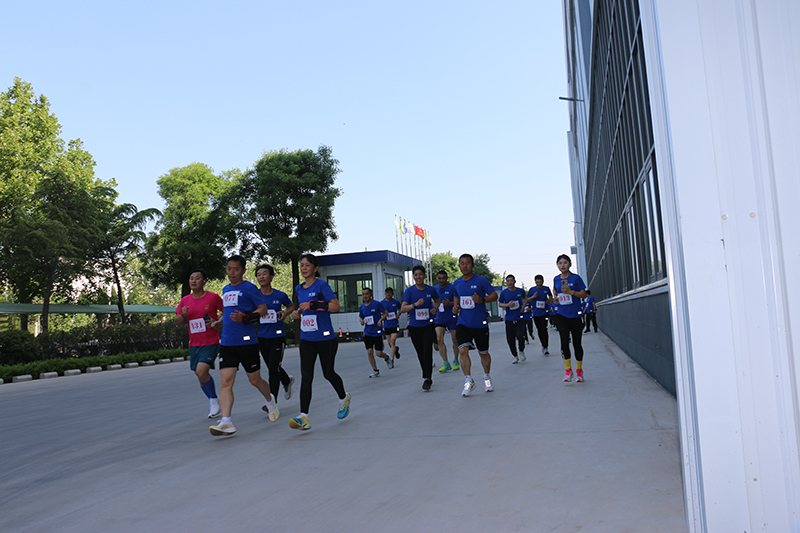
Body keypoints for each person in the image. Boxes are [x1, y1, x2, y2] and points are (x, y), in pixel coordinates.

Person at [209, 255, 278, 436]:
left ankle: (270, 401)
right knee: (226, 381)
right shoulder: (225, 289)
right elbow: (227, 311)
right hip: (227, 342)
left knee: (254, 380)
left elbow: (263, 309)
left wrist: (245, 317)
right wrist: (219, 322)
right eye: (229, 268)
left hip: (247, 343)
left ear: (243, 270)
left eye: (236, 269)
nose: (231, 272)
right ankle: (226, 422)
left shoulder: (249, 288)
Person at [289, 253, 350, 430]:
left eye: (307, 265)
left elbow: (336, 306)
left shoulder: (322, 285)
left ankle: (344, 398)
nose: (303, 268)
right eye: (301, 265)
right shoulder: (299, 288)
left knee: (328, 373)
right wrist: (297, 313)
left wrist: (314, 305)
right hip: (307, 339)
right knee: (306, 377)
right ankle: (304, 416)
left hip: (325, 339)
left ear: (315, 268)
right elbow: (303, 309)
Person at [174, 269, 225, 418]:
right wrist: (182, 314)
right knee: (199, 374)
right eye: (191, 278)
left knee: (201, 371)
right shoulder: (185, 300)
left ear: (204, 282)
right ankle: (213, 399)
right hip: (194, 344)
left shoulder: (213, 297)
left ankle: (213, 400)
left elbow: (226, 311)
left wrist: (218, 322)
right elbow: (177, 322)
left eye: (197, 278)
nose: (193, 281)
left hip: (210, 341)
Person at [452, 254, 499, 396]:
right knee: (462, 350)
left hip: (479, 323)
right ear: (459, 266)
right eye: (462, 263)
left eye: (467, 263)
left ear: (472, 265)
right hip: (463, 323)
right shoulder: (457, 283)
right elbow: (456, 295)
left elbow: (494, 295)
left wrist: (482, 300)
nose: (464, 266)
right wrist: (455, 306)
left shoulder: (481, 281)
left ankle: (487, 377)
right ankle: (468, 380)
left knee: (483, 353)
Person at [254, 264, 295, 408]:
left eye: (264, 274)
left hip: (277, 337)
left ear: (271, 277)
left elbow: (291, 306)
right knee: (273, 366)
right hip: (262, 337)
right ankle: (286, 380)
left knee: (273, 368)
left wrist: (285, 313)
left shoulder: (280, 295)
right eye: (259, 274)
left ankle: (272, 403)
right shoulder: (254, 295)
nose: (261, 277)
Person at [400, 265, 440, 391]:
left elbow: (438, 300)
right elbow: (402, 309)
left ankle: (427, 378)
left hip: (428, 325)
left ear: (424, 276)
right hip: (414, 327)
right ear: (413, 277)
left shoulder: (431, 290)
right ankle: (426, 374)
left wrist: (435, 308)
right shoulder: (409, 291)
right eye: (416, 275)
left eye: (420, 274)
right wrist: (415, 305)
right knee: (420, 352)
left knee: (427, 351)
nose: (418, 277)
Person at [553, 254, 589, 383]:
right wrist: (556, 299)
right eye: (560, 263)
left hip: (575, 315)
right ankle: (568, 370)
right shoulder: (556, 279)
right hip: (562, 315)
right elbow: (555, 292)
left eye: (565, 263)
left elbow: (584, 294)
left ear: (570, 264)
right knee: (564, 342)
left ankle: (579, 370)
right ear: (557, 265)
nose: (562, 265)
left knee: (576, 343)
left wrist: (571, 292)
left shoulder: (576, 278)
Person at [359, 287, 391, 377]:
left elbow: (386, 313)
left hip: (377, 332)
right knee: (369, 352)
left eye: (367, 294)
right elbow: (361, 316)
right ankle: (375, 370)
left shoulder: (377, 304)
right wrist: (361, 320)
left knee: (379, 353)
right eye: (363, 294)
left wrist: (381, 320)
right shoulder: (362, 307)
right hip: (367, 332)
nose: (365, 296)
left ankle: (386, 357)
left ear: (370, 295)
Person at [433, 270, 460, 373]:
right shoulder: (434, 289)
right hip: (440, 317)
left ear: (447, 278)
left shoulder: (453, 288)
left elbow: (458, 302)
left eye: (443, 278)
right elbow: (433, 302)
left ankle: (456, 360)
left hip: (452, 317)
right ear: (437, 278)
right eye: (439, 278)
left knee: (455, 339)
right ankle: (445, 362)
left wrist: (450, 303)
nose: (441, 280)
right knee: (439, 338)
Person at [498, 274, 528, 363]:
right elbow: (500, 304)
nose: (510, 282)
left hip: (519, 318)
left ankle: (521, 351)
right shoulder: (504, 293)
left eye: (511, 280)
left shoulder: (520, 291)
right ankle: (515, 356)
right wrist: (507, 305)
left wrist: (523, 307)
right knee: (510, 339)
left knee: (520, 336)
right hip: (509, 319)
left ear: (514, 281)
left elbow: (525, 299)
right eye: (508, 281)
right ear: (506, 282)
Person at [528, 274, 552, 355]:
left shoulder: (546, 289)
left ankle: (546, 346)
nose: (538, 284)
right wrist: (533, 297)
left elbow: (551, 297)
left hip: (545, 312)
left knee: (544, 329)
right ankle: (543, 345)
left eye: (540, 282)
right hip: (536, 314)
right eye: (537, 282)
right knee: (539, 330)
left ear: (543, 281)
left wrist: (549, 301)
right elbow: (526, 300)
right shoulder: (532, 290)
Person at [381, 288, 402, 362]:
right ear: (385, 294)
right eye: (387, 293)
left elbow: (401, 308)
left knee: (393, 341)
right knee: (390, 344)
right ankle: (395, 349)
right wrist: (383, 314)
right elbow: (379, 311)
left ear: (392, 294)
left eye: (390, 293)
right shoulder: (382, 303)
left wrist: (398, 314)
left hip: (394, 324)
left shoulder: (396, 302)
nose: (388, 294)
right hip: (387, 325)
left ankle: (392, 360)